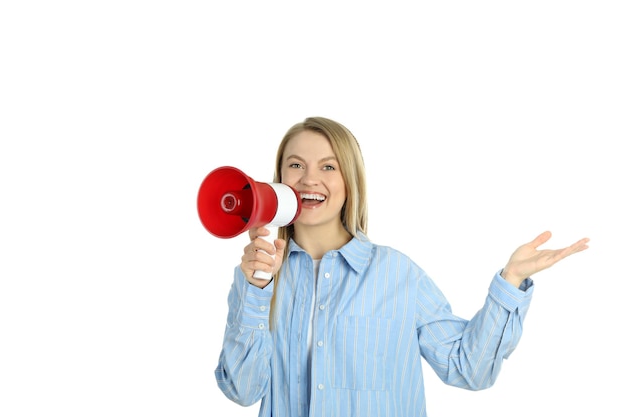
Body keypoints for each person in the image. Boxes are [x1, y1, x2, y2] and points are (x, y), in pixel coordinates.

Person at [213, 116, 590, 417]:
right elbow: (243, 391)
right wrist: (258, 289)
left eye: (328, 166)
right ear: (280, 179)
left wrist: (511, 281)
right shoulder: (256, 279)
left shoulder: (398, 275)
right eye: (296, 165)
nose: (310, 178)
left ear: (349, 182)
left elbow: (469, 369)